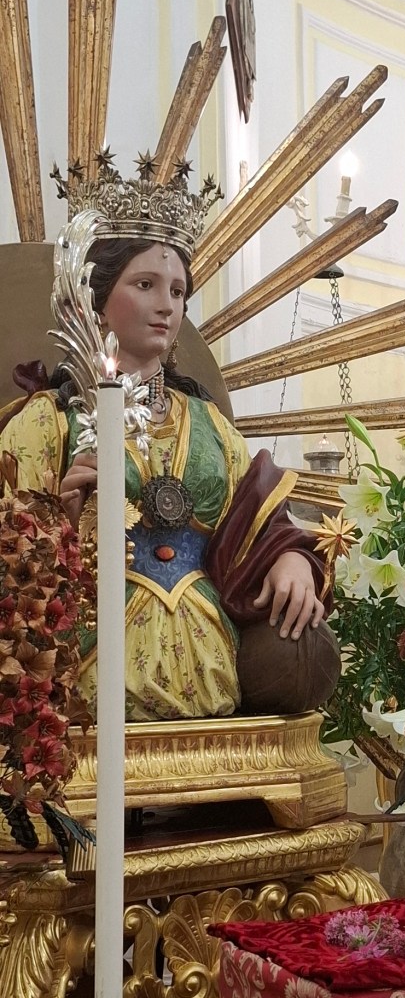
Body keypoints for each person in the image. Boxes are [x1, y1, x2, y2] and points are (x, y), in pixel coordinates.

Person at [2, 230, 337, 722]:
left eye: (177, 291)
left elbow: (254, 524)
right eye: (145, 285)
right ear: (95, 300)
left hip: (212, 666)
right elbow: (14, 552)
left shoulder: (212, 427)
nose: (166, 306)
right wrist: (66, 531)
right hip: (89, 669)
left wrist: (292, 559)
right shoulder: (47, 423)